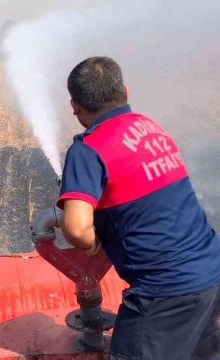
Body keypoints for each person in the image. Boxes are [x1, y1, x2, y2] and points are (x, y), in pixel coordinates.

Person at [56, 56, 220, 360]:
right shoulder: (149, 127)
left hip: (166, 290)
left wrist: (91, 245)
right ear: (126, 92)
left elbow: (77, 228)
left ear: (75, 106)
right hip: (211, 271)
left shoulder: (87, 150)